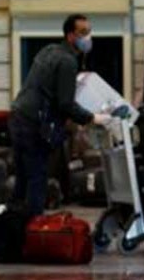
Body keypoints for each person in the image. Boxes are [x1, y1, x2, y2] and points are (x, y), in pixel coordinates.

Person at [10, 13, 111, 216]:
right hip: (34, 126)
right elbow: (65, 104)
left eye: (89, 32)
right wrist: (92, 118)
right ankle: (33, 231)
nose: (88, 37)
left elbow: (49, 88)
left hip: (17, 118)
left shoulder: (48, 50)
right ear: (70, 36)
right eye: (83, 33)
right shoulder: (67, 61)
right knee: (37, 180)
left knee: (22, 180)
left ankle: (14, 231)